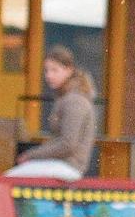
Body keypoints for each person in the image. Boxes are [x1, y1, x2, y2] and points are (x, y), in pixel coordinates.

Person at [5, 46, 97, 181]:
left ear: (69, 70)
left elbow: (67, 144)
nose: (49, 75)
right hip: (63, 164)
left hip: (69, 166)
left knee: (9, 178)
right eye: (46, 70)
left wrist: (31, 155)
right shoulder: (66, 97)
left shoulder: (74, 101)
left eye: (55, 70)